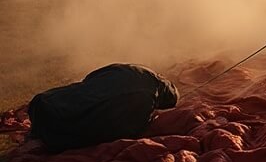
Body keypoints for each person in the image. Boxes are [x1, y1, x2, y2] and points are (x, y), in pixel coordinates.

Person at [28, 63, 178, 152]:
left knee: (76, 99)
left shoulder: (132, 68)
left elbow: (90, 78)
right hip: (94, 104)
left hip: (54, 100)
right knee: (85, 117)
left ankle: (49, 115)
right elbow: (130, 130)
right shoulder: (148, 96)